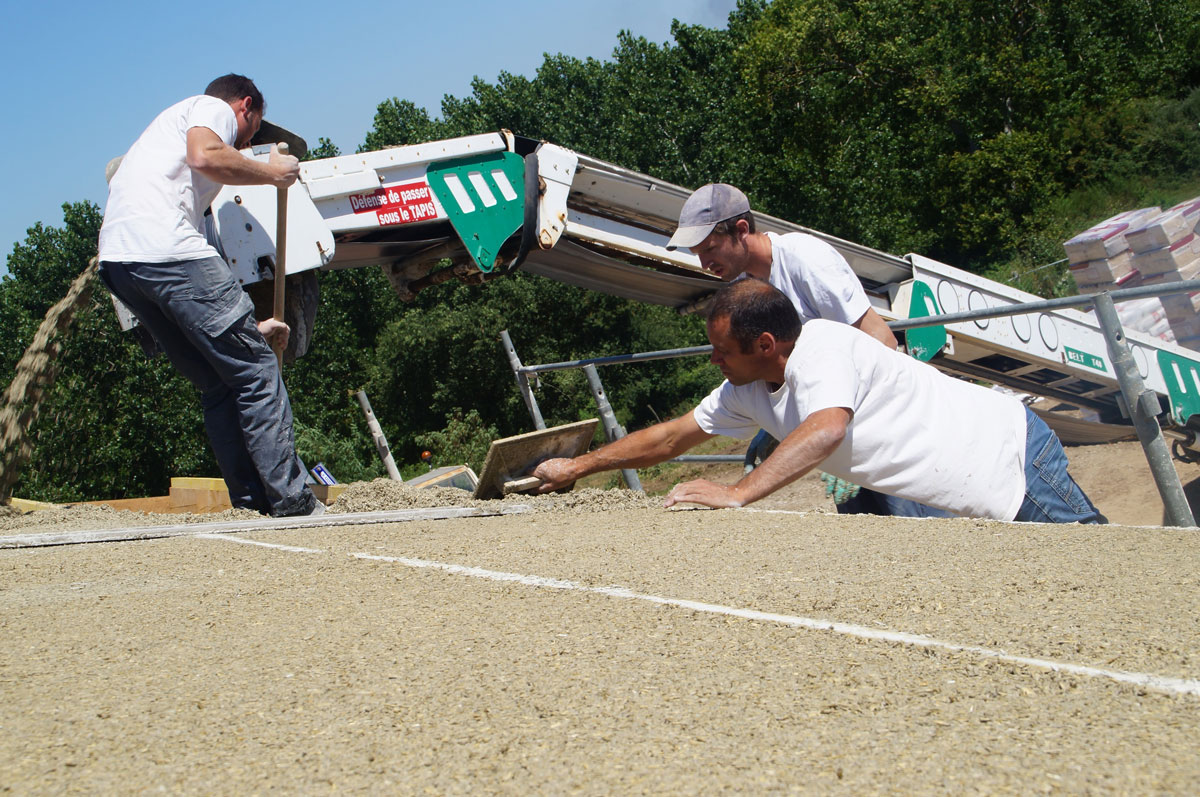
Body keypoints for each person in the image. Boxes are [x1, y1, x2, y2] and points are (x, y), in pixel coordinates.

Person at [532, 279, 1103, 524]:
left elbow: (826, 429)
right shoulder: (746, 389)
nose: (714, 362)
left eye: (721, 350)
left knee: (1109, 570)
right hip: (965, 494)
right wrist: (577, 467)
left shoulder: (826, 346)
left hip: (1011, 460)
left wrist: (735, 494)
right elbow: (669, 437)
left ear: (764, 344)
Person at [97, 74, 322, 517]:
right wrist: (273, 173)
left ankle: (250, 505)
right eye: (254, 127)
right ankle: (293, 501)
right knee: (257, 369)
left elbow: (200, 304)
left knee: (219, 381)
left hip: (120, 264)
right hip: (165, 251)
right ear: (246, 105)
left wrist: (248, 328)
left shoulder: (165, 165)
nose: (250, 139)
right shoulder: (211, 108)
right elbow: (205, 155)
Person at [667, 183, 948, 517]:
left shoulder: (805, 261)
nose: (703, 263)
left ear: (741, 230)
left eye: (710, 248)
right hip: (840, 435)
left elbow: (880, 341)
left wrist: (848, 428)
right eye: (697, 253)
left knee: (921, 534)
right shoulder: (747, 288)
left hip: (890, 434)